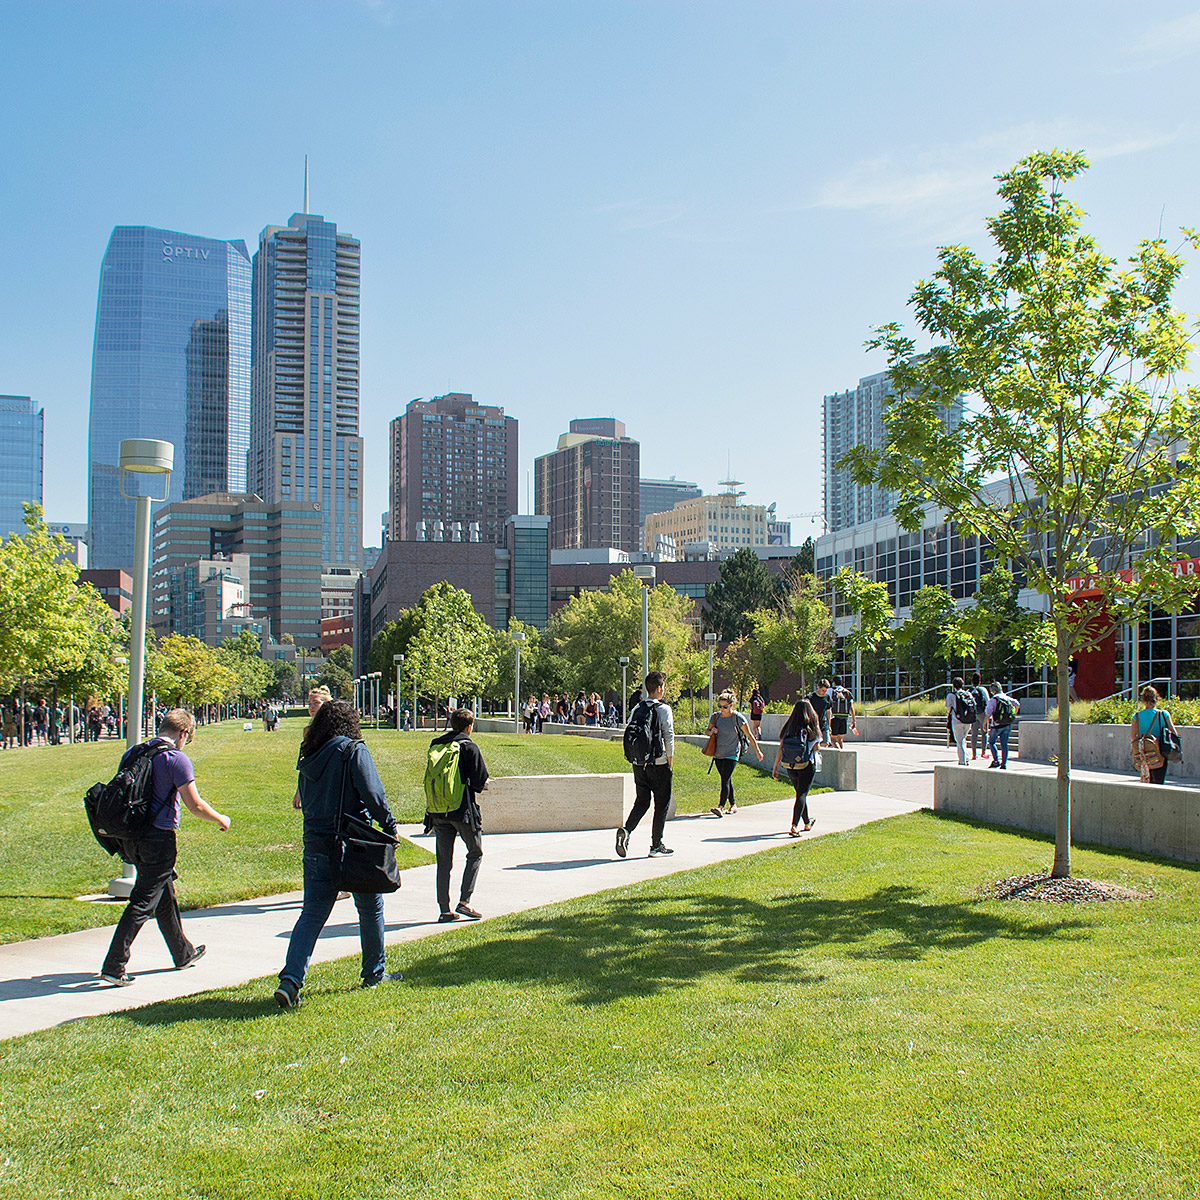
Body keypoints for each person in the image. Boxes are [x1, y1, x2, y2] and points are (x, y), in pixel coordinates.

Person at [275, 700, 401, 1007]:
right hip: (352, 843)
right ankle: (374, 973)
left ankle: (290, 980)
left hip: (316, 843)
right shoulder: (353, 750)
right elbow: (373, 793)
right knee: (370, 908)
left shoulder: (309, 754)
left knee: (312, 913)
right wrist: (389, 825)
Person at [100, 709, 231, 987]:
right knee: (143, 901)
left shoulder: (134, 753)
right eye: (188, 739)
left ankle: (182, 953)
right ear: (184, 733)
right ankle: (114, 965)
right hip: (158, 839)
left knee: (163, 892)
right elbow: (194, 805)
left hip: (131, 837)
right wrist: (221, 818)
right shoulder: (175, 759)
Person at [425, 708, 490, 922]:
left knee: (444, 862)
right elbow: (479, 781)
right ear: (469, 726)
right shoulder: (469, 747)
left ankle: (444, 910)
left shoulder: (436, 744)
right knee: (475, 852)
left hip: (438, 811)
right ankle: (465, 901)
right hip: (462, 811)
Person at [615, 670, 676, 858]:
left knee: (642, 801)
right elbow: (668, 736)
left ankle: (627, 830)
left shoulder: (637, 708)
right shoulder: (663, 709)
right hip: (659, 763)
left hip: (639, 764)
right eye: (663, 687)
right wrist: (670, 761)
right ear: (658, 688)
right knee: (661, 804)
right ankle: (656, 845)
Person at [706, 688, 763, 816]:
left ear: (731, 705)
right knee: (726, 779)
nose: (722, 709)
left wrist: (758, 751)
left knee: (725, 779)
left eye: (725, 707)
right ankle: (733, 804)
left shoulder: (737, 718)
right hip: (718, 753)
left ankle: (720, 807)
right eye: (720, 706)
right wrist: (712, 731)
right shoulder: (715, 717)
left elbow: (749, 735)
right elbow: (707, 731)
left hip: (732, 753)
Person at [773, 699, 822, 835]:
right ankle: (794, 825)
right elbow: (817, 747)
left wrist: (775, 766)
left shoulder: (789, 728)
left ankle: (807, 822)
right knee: (801, 794)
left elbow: (781, 748)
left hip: (790, 765)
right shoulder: (811, 728)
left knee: (800, 793)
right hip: (806, 764)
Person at [1131, 685, 1179, 785]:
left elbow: (1133, 736)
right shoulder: (1163, 714)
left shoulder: (1136, 716)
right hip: (1160, 751)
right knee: (1158, 781)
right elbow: (1174, 733)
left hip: (1144, 753)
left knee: (1146, 780)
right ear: (1156, 699)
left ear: (1143, 700)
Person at [985, 681, 1020, 769]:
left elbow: (988, 714)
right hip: (1007, 724)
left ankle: (996, 760)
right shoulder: (1006, 698)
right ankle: (1004, 763)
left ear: (993, 691)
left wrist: (984, 724)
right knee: (1004, 744)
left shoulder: (993, 700)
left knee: (991, 742)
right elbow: (1017, 704)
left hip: (996, 725)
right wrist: (1013, 715)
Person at [945, 676, 977, 766]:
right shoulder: (968, 694)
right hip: (968, 720)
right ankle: (966, 757)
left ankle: (963, 761)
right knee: (963, 739)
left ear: (953, 685)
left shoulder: (951, 695)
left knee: (960, 741)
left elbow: (949, 708)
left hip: (957, 720)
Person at [828, 677, 858, 748]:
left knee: (833, 740)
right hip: (844, 717)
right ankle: (842, 751)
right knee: (840, 739)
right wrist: (854, 720)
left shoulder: (830, 690)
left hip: (834, 717)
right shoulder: (846, 692)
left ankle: (838, 751)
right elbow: (851, 707)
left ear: (833, 682)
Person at [967, 672, 990, 761]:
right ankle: (983, 752)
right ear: (980, 681)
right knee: (984, 732)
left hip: (973, 714)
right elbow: (988, 702)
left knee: (974, 733)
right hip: (982, 713)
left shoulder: (969, 691)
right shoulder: (983, 690)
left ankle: (974, 754)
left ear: (972, 682)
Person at [808, 679, 833, 746]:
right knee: (814, 744)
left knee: (826, 742)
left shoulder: (827, 698)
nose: (824, 692)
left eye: (825, 691)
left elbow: (828, 712)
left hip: (823, 724)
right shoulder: (810, 697)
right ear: (818, 687)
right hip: (813, 725)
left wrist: (829, 725)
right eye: (823, 690)